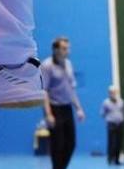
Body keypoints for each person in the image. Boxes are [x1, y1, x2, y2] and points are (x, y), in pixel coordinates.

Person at [39, 38, 82, 169]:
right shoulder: (46, 66)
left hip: (67, 108)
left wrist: (79, 108)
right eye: (64, 48)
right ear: (56, 50)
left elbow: (71, 89)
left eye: (68, 48)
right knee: (57, 144)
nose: (67, 51)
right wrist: (48, 114)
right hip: (54, 108)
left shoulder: (68, 64)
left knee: (71, 143)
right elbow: (44, 91)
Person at [101, 85, 124, 165]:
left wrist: (121, 119)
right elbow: (102, 113)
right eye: (111, 92)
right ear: (109, 93)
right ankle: (110, 159)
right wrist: (109, 118)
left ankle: (117, 159)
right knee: (111, 142)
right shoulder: (105, 102)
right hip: (111, 124)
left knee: (119, 142)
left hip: (120, 124)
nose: (113, 93)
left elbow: (123, 111)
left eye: (114, 92)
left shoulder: (121, 101)